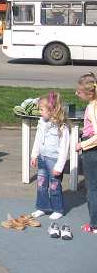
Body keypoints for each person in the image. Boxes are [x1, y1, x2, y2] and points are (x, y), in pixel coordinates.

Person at [29, 91, 69, 221]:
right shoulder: (41, 122)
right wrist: (34, 155)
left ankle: (58, 209)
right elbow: (38, 139)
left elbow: (64, 148)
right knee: (41, 184)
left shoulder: (62, 127)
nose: (40, 112)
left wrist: (59, 166)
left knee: (54, 186)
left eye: (42, 109)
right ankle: (42, 207)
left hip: (54, 161)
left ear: (52, 110)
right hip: (42, 157)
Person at [74, 73, 97, 234]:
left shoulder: (91, 108)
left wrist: (82, 144)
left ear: (89, 93)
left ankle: (94, 224)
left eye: (79, 92)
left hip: (91, 150)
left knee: (92, 188)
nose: (76, 93)